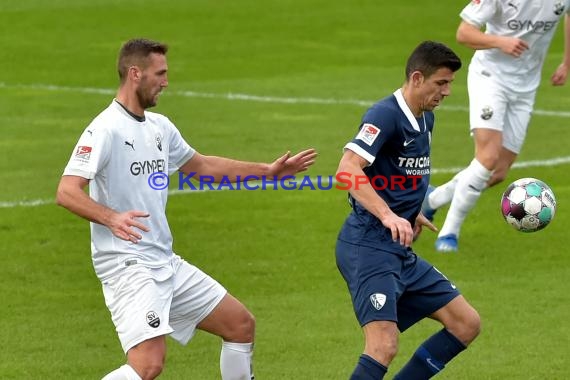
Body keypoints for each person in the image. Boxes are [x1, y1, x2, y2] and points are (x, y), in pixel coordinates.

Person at [56, 38, 317, 380]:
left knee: (240, 325)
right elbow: (66, 191)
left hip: (164, 260)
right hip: (128, 265)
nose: (166, 81)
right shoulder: (105, 129)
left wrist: (267, 172)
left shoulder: (159, 127)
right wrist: (111, 217)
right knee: (148, 364)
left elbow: (203, 167)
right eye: (159, 73)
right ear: (135, 74)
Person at [335, 41, 481, 380]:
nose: (447, 92)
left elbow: (397, 174)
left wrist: (409, 210)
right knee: (383, 345)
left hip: (399, 250)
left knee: (466, 323)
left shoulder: (425, 118)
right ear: (417, 78)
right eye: (441, 83)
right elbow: (347, 169)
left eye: (450, 84)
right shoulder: (385, 115)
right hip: (368, 245)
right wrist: (387, 214)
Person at [422, 0, 570, 252]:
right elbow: (464, 32)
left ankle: (432, 200)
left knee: (498, 171)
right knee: (487, 157)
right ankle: (448, 234)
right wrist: (501, 41)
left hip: (526, 87)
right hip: (490, 79)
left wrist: (567, 62)